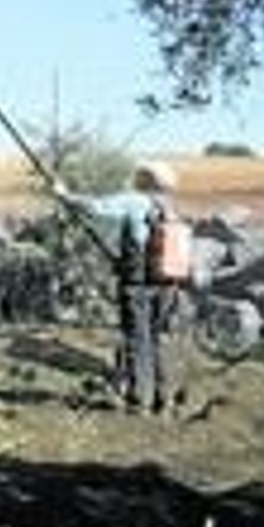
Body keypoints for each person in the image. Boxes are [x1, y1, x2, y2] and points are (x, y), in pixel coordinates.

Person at [54, 160, 186, 414]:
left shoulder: (133, 201)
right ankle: (163, 398)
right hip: (168, 286)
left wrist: (64, 195)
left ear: (142, 180)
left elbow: (95, 208)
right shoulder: (170, 209)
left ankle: (138, 401)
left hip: (137, 285)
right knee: (157, 339)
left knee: (137, 339)